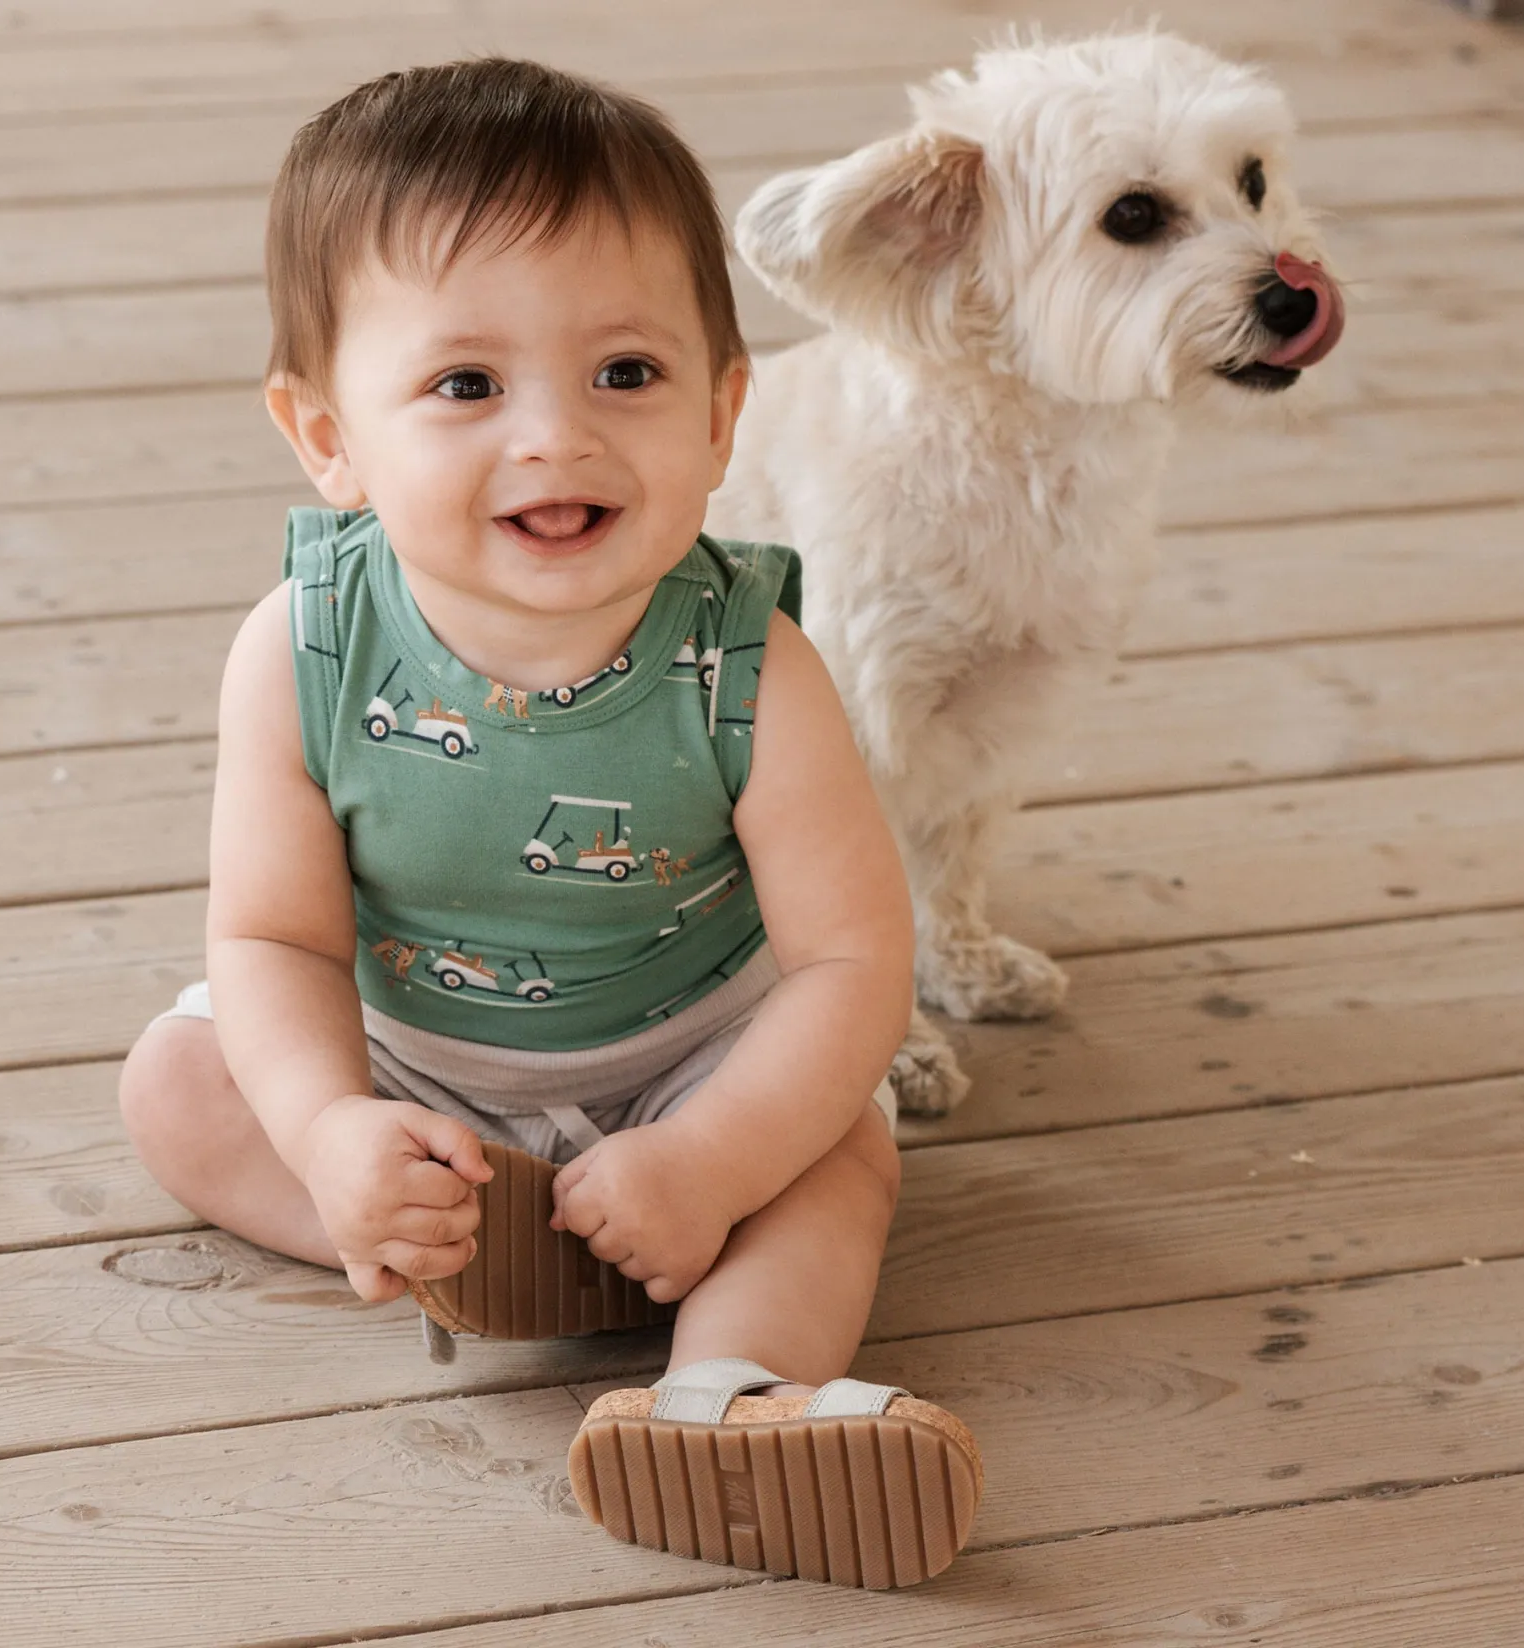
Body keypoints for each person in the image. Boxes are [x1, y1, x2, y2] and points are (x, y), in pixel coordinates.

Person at [118, 57, 981, 1588]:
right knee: (179, 1087)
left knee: (838, 1156)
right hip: (413, 1055)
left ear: (724, 414)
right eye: (466, 385)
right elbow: (273, 936)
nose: (556, 438)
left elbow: (853, 966)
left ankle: (733, 1391)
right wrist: (327, 1130)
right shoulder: (303, 648)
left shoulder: (753, 666)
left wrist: (717, 1152)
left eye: (626, 375)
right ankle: (430, 1232)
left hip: (690, 1057)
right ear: (327, 435)